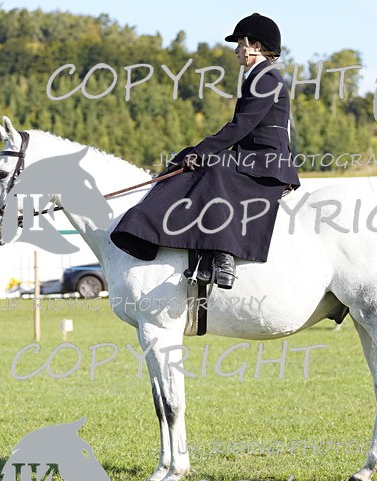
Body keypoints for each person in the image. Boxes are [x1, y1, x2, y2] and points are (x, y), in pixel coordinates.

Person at [110, 13, 299, 290]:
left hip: (266, 162)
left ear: (256, 46)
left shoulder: (266, 79)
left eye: (240, 44)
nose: (236, 50)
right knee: (189, 159)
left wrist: (202, 151)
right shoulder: (258, 77)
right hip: (256, 157)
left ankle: (223, 258)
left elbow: (241, 126)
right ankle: (148, 232)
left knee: (216, 166)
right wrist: (196, 152)